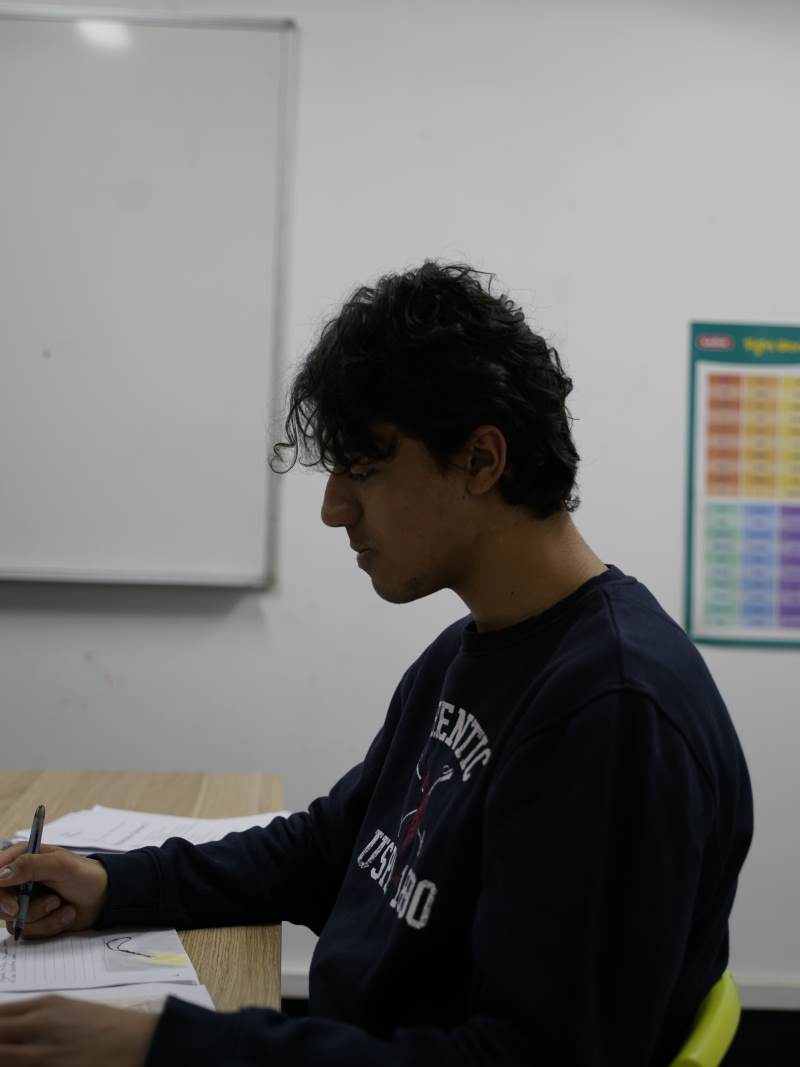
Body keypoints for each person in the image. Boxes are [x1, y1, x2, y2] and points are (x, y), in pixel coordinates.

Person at [0, 261, 752, 1066]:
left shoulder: (612, 714)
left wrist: (165, 1045)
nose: (333, 508)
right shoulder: (478, 649)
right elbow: (331, 849)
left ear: (481, 461)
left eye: (364, 468)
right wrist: (117, 885)